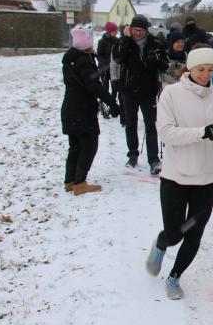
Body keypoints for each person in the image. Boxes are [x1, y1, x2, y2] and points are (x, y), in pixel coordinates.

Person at [145, 47, 213, 300]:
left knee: (194, 233)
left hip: (207, 179)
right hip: (176, 177)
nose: (206, 74)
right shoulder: (172, 94)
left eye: (210, 70)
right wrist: (202, 132)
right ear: (190, 69)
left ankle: (175, 277)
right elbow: (165, 133)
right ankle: (162, 245)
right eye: (200, 69)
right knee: (174, 233)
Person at [61, 28, 120, 195]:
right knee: (88, 145)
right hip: (82, 110)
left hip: (70, 109)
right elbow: (94, 87)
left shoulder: (70, 59)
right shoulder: (84, 61)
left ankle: (70, 180)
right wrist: (113, 103)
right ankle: (80, 183)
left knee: (75, 146)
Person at [113, 14, 170, 175]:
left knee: (150, 124)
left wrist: (156, 60)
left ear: (146, 30)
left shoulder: (156, 43)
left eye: (141, 30)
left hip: (148, 90)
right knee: (130, 124)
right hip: (129, 90)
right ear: (130, 29)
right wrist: (125, 39)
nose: (137, 33)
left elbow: (165, 64)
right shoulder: (125, 42)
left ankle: (153, 159)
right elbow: (117, 58)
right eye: (135, 30)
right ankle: (132, 154)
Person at [96, 22, 119, 118]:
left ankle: (113, 108)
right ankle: (104, 107)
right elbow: (99, 55)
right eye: (114, 31)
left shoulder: (117, 41)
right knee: (104, 89)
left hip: (113, 69)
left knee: (114, 89)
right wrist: (105, 64)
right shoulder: (102, 41)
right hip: (104, 69)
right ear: (109, 31)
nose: (116, 32)